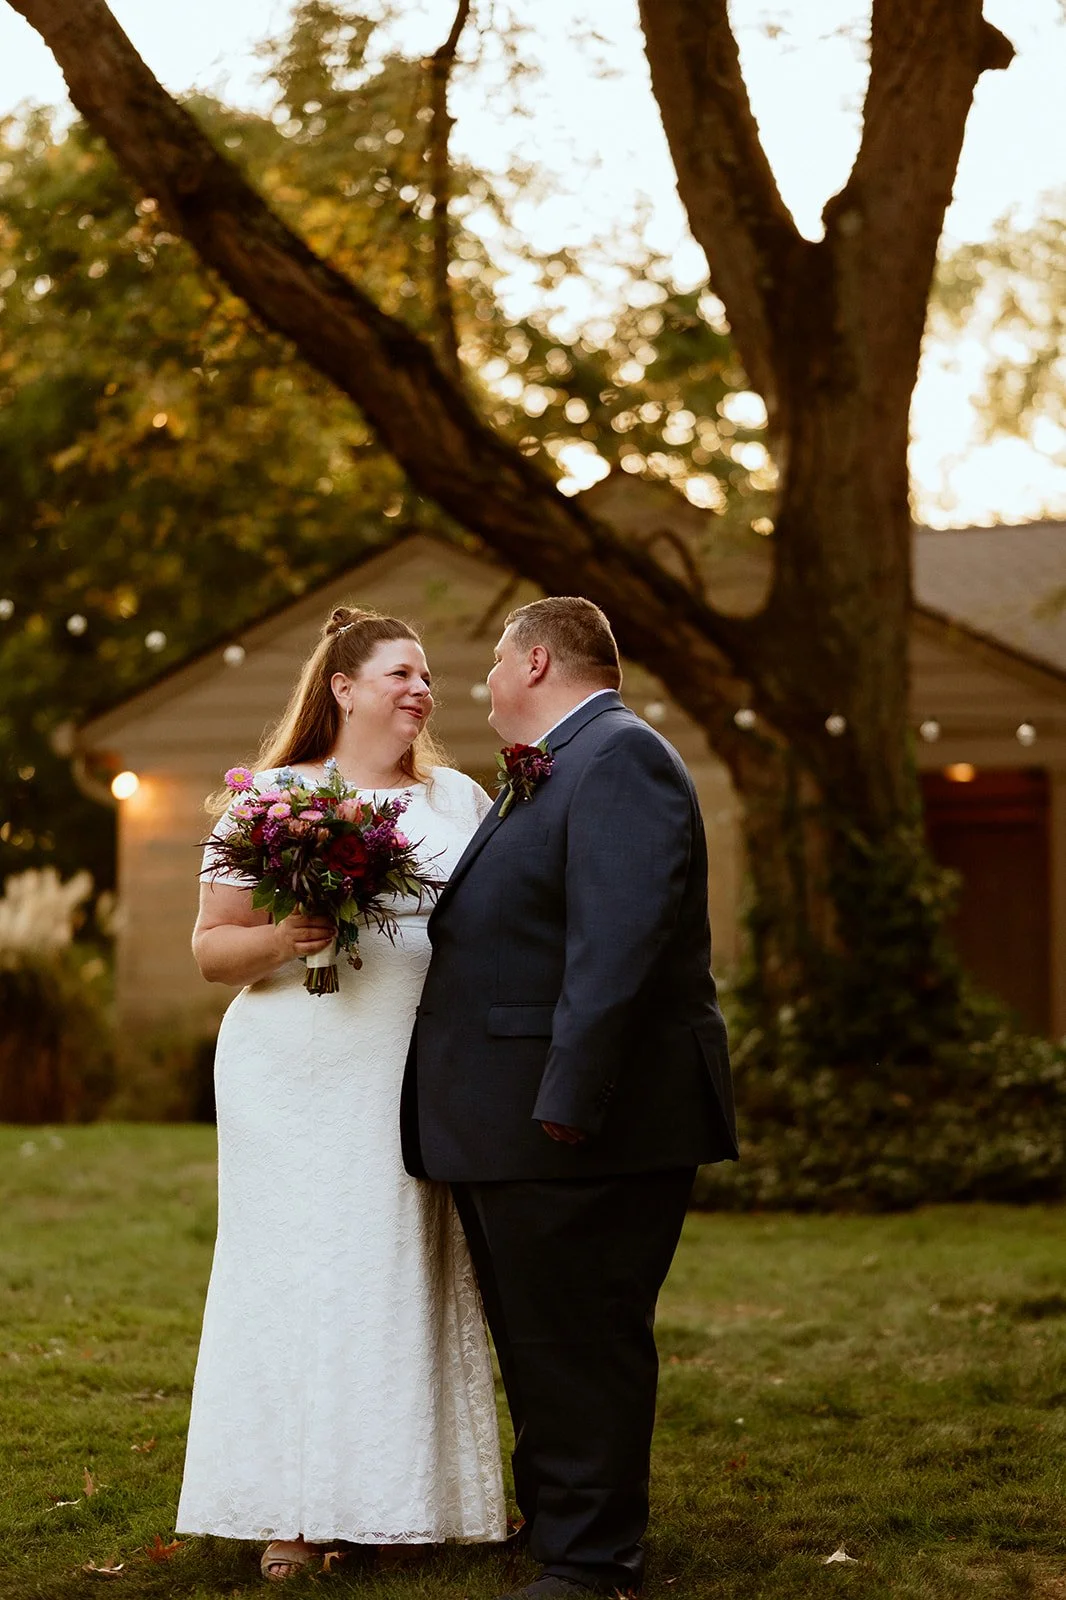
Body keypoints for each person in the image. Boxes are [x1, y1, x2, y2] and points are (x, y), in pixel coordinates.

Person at [401, 596, 738, 1600]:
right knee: (538, 1337)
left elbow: (616, 946)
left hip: (584, 1124)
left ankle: (594, 1562)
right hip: (518, 1127)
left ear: (537, 661)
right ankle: (558, 1524)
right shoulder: (553, 771)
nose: (485, 683)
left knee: (580, 1340)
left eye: (496, 661)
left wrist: (569, 1101)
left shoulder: (617, 758)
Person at [176, 606, 506, 1582]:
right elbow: (208, 949)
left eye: (427, 677)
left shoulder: (457, 799)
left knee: (393, 1266)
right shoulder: (273, 798)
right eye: (400, 672)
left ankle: (396, 1497)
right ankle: (288, 1508)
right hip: (290, 1068)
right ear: (343, 687)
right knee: (294, 1272)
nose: (421, 689)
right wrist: (287, 935)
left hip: (410, 1068)